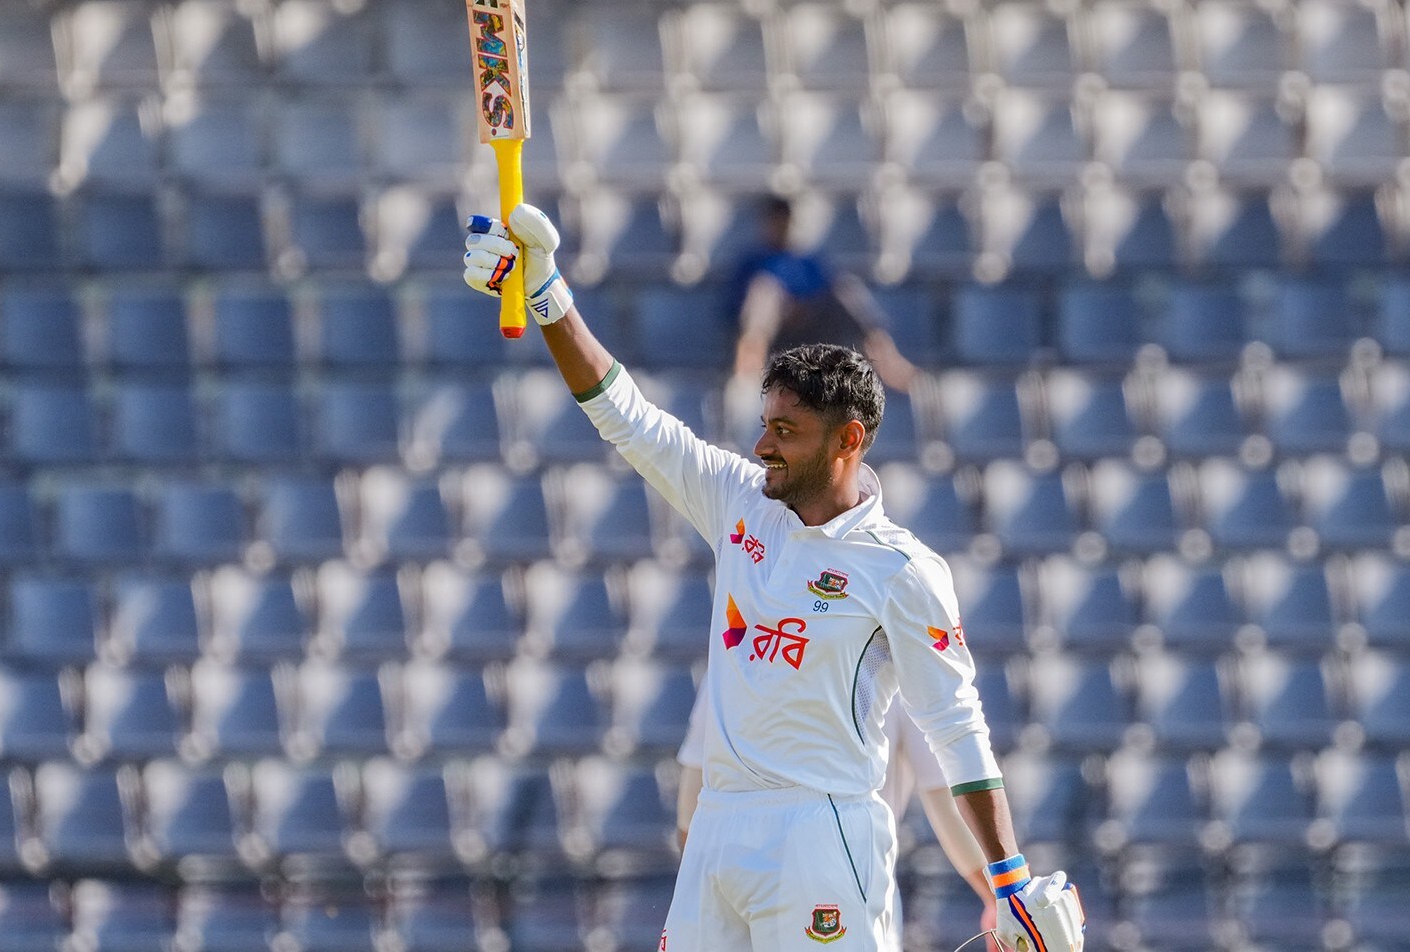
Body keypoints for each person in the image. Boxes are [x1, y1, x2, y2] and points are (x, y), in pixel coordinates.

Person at [460, 205, 1085, 952]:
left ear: (848, 440)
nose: (761, 445)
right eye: (765, 423)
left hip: (822, 834)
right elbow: (624, 414)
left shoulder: (901, 568)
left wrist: (1010, 880)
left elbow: (956, 728)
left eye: (785, 431)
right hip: (720, 827)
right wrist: (547, 294)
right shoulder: (738, 500)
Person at [678, 683, 1001, 952]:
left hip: (738, 874)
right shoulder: (895, 643)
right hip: (850, 879)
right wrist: (1000, 899)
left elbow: (692, 805)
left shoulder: (741, 643)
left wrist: (699, 891)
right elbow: (943, 802)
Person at [728, 195, 919, 394]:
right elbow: (737, 307)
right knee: (765, 290)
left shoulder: (807, 260)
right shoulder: (752, 262)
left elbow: (825, 290)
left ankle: (885, 359)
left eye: (785, 220)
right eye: (776, 221)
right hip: (774, 330)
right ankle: (749, 365)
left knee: (845, 287)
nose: (782, 226)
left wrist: (802, 308)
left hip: (812, 325)